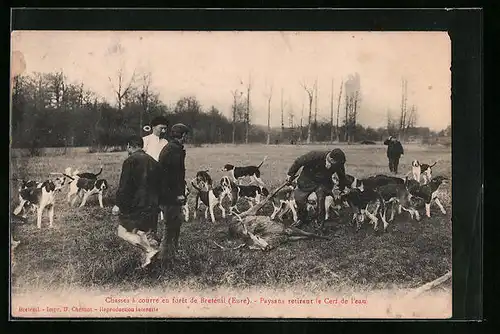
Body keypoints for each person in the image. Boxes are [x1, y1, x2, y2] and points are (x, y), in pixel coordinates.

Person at [112, 135, 161, 269]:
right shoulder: (153, 161)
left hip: (135, 206)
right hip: (152, 205)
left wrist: (118, 204)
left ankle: (150, 250)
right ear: (142, 146)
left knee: (122, 232)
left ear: (129, 146)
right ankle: (148, 262)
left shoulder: (130, 161)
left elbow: (125, 186)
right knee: (141, 232)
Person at [285, 148, 348, 229]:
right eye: (336, 164)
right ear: (331, 159)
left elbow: (342, 175)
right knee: (299, 199)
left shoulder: (338, 163)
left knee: (321, 199)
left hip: (323, 182)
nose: (338, 166)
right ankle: (301, 218)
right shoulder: (315, 155)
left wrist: (342, 187)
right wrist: (290, 174)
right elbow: (299, 161)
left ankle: (320, 222)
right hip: (307, 180)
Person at [157, 123, 190, 265]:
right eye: (186, 135)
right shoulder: (174, 150)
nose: (187, 138)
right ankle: (164, 260)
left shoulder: (172, 148)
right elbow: (175, 176)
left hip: (166, 194)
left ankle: (171, 256)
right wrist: (178, 194)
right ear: (182, 135)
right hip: (170, 196)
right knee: (170, 227)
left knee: (174, 224)